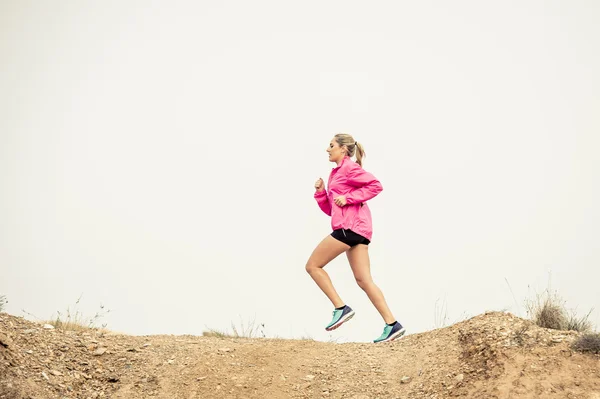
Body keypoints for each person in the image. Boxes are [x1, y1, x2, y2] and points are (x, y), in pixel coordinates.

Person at [306, 133, 405, 343]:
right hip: (358, 229)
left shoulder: (349, 168)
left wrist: (348, 197)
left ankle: (341, 308)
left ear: (343, 149)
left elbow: (376, 185)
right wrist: (321, 193)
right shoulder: (335, 173)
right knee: (363, 280)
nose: (327, 149)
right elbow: (332, 210)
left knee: (313, 266)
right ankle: (392, 324)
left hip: (350, 227)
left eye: (331, 145)